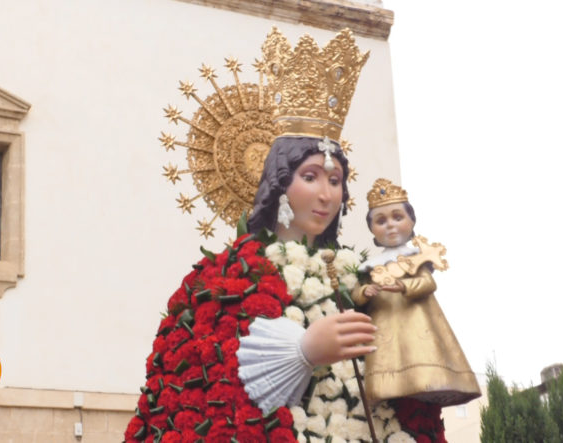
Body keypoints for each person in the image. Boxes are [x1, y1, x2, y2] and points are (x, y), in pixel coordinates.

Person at [125, 28, 448, 442]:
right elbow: (210, 382)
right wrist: (303, 351)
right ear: (280, 182)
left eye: (335, 180)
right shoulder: (224, 277)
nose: (326, 194)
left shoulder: (358, 274)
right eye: (310, 177)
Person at [353, 178, 481, 407]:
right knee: (387, 358)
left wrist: (404, 286)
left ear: (411, 221)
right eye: (381, 221)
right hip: (383, 319)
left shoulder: (415, 256)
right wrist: (365, 291)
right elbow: (356, 294)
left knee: (419, 355)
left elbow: (428, 283)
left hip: (417, 318)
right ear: (372, 229)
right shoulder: (370, 265)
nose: (390, 225)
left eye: (397, 217)